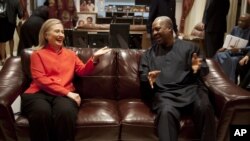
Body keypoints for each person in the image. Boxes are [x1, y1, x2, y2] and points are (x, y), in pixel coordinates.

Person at [20, 18, 111, 141]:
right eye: (57, 31)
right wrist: (68, 93)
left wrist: (94, 58)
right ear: (46, 35)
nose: (61, 35)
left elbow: (82, 71)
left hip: (62, 94)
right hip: (39, 93)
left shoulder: (71, 54)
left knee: (65, 112)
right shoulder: (37, 54)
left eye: (62, 32)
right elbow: (40, 80)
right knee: (41, 112)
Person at [139, 16, 216, 141]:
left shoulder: (191, 48)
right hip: (165, 94)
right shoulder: (148, 54)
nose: (154, 33)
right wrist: (149, 80)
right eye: (153, 31)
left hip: (191, 90)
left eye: (158, 29)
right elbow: (143, 77)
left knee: (205, 107)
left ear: (169, 28)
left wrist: (197, 67)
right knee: (166, 113)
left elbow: (203, 70)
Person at [214, 13, 250, 83]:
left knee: (233, 60)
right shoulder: (235, 28)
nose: (240, 22)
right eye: (239, 20)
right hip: (231, 51)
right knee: (218, 54)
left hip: (242, 53)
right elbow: (229, 39)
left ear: (249, 22)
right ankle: (219, 76)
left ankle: (231, 81)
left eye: (243, 21)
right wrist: (224, 47)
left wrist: (240, 49)